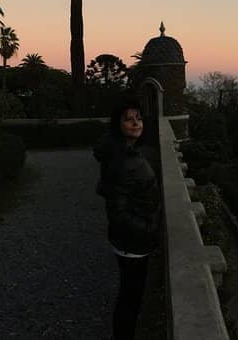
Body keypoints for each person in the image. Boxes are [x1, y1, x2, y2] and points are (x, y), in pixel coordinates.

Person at [94, 98, 162, 340]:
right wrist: (150, 229)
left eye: (139, 118)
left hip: (131, 241)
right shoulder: (122, 161)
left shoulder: (127, 153)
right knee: (130, 300)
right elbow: (118, 213)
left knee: (130, 296)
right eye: (128, 119)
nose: (136, 123)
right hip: (133, 243)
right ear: (118, 125)